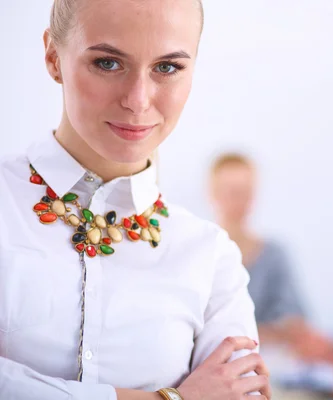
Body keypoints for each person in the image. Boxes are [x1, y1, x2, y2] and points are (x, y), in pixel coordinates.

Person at [0, 1, 271, 399]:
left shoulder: (211, 258)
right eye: (108, 63)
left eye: (167, 67)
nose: (138, 100)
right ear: (53, 57)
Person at [208, 153, 333, 363]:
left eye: (245, 192)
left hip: (273, 364)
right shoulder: (199, 255)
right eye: (231, 192)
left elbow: (297, 324)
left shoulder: (275, 254)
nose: (239, 201)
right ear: (212, 193)